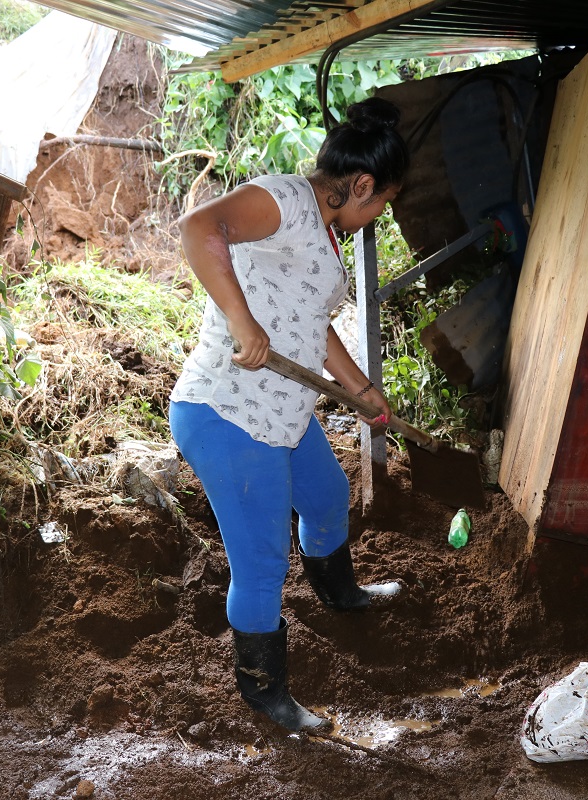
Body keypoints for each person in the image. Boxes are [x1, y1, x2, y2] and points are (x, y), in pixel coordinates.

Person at [168, 96, 409, 733]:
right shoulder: (284, 198)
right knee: (264, 560)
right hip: (227, 412)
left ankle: (339, 592)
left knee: (328, 496)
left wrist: (358, 388)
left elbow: (310, 323)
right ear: (360, 185)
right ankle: (264, 691)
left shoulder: (327, 232)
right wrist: (240, 319)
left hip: (283, 410)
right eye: (383, 199)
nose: (381, 211)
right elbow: (199, 227)